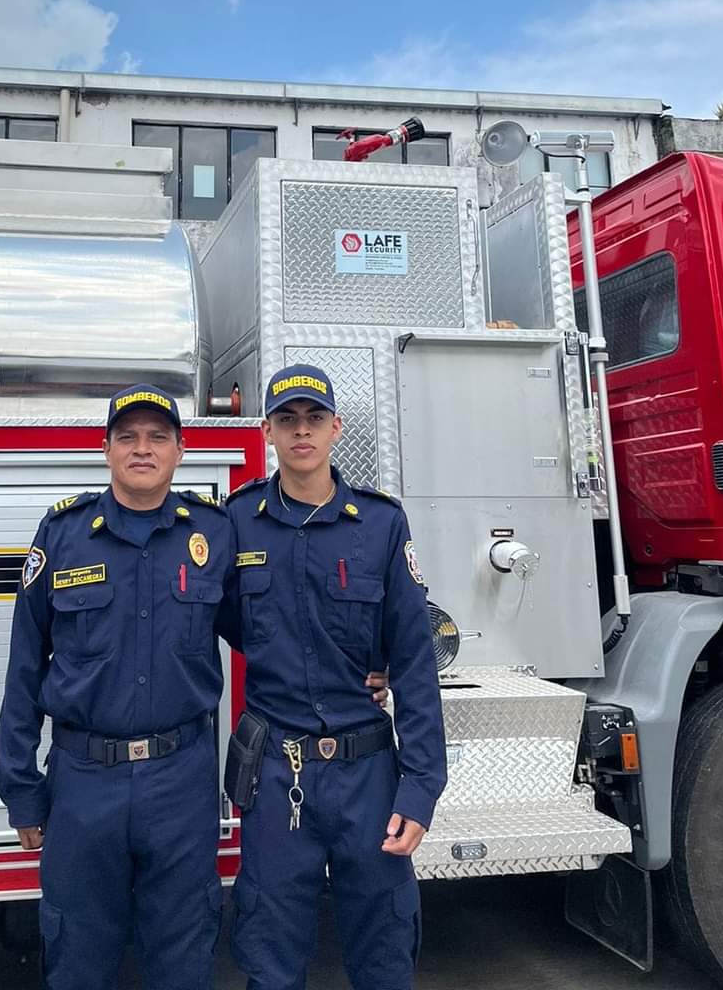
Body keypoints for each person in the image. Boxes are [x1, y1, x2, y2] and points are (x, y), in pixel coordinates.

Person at [0, 385, 229, 990]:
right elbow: (25, 664)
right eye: (128, 437)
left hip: (182, 782)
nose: (142, 449)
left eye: (157, 437)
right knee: (77, 956)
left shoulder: (214, 535)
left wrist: (362, 670)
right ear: (105, 450)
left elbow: (272, 629)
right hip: (82, 784)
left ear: (181, 451)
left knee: (182, 957)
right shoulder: (64, 534)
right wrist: (20, 787)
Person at [224, 364, 447, 990]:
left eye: (314, 419)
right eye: (288, 420)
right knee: (269, 956)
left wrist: (421, 788)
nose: (302, 432)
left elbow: (413, 662)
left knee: (382, 954)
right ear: (268, 430)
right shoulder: (236, 523)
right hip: (277, 776)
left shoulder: (379, 524)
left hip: (368, 775)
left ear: (335, 428)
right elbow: (219, 619)